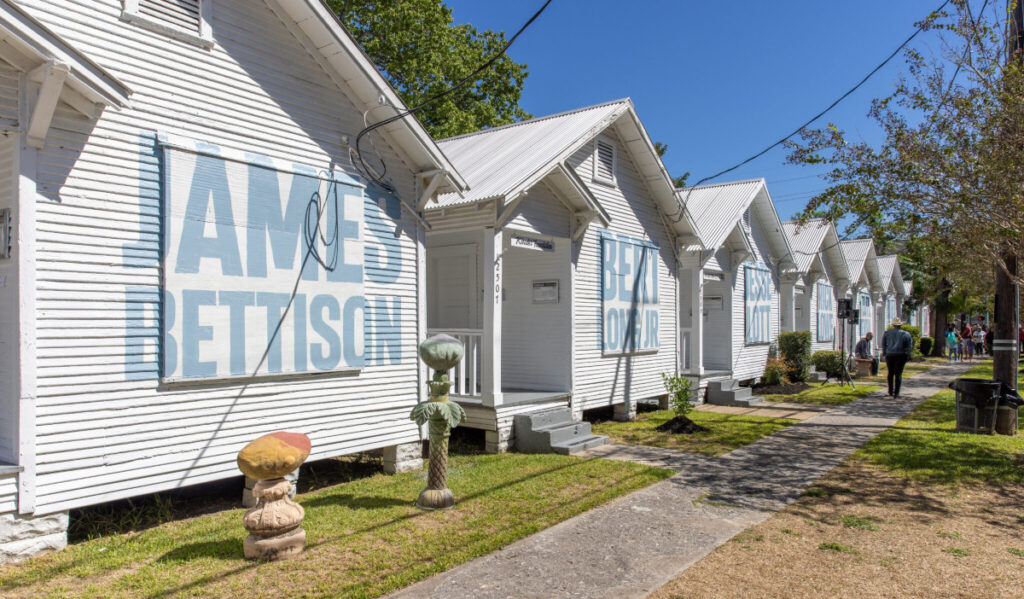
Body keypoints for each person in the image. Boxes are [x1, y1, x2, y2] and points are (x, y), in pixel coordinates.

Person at [882, 318, 914, 398]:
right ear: (900, 325)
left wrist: (884, 353)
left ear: (893, 325)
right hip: (900, 354)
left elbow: (883, 344)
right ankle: (897, 392)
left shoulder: (887, 333)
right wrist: (909, 355)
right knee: (898, 373)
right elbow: (909, 346)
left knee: (890, 373)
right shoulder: (905, 334)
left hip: (890, 354)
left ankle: (890, 390)